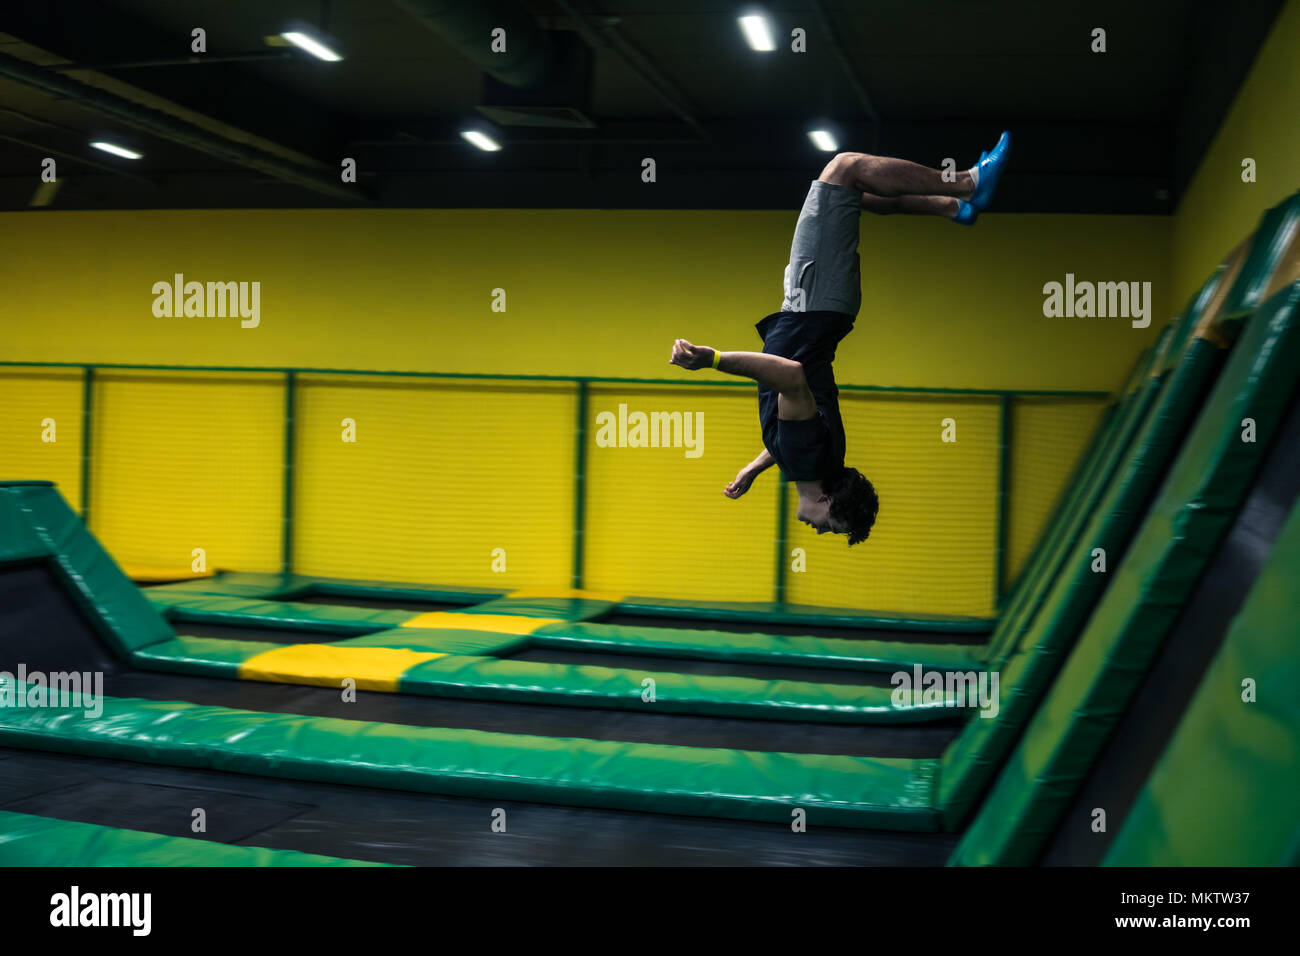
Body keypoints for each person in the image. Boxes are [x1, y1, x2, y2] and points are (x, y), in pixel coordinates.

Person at [669, 132, 1012, 544]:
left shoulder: (821, 462)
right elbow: (792, 377)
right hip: (813, 304)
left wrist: (756, 466)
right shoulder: (807, 459)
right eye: (832, 526)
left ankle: (954, 208)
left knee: (851, 195)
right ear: (830, 501)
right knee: (844, 170)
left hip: (822, 308)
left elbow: (795, 429)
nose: (820, 529)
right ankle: (968, 183)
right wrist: (713, 360)